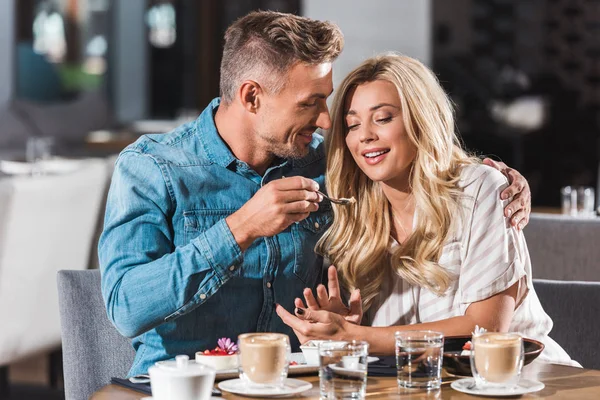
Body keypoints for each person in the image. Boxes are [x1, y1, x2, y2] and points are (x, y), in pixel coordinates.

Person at [99, 12, 532, 377]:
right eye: (310, 103)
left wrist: (499, 178)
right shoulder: (153, 168)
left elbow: (419, 167)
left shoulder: (328, 165)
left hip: (294, 384)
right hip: (184, 384)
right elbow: (126, 308)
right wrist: (240, 229)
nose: (327, 122)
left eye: (327, 103)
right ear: (252, 97)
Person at [276, 53, 575, 365]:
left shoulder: (479, 189)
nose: (365, 135)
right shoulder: (355, 221)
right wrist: (347, 329)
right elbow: (385, 346)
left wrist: (358, 338)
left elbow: (487, 328)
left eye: (383, 118)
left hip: (527, 382)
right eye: (352, 124)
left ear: (421, 119)